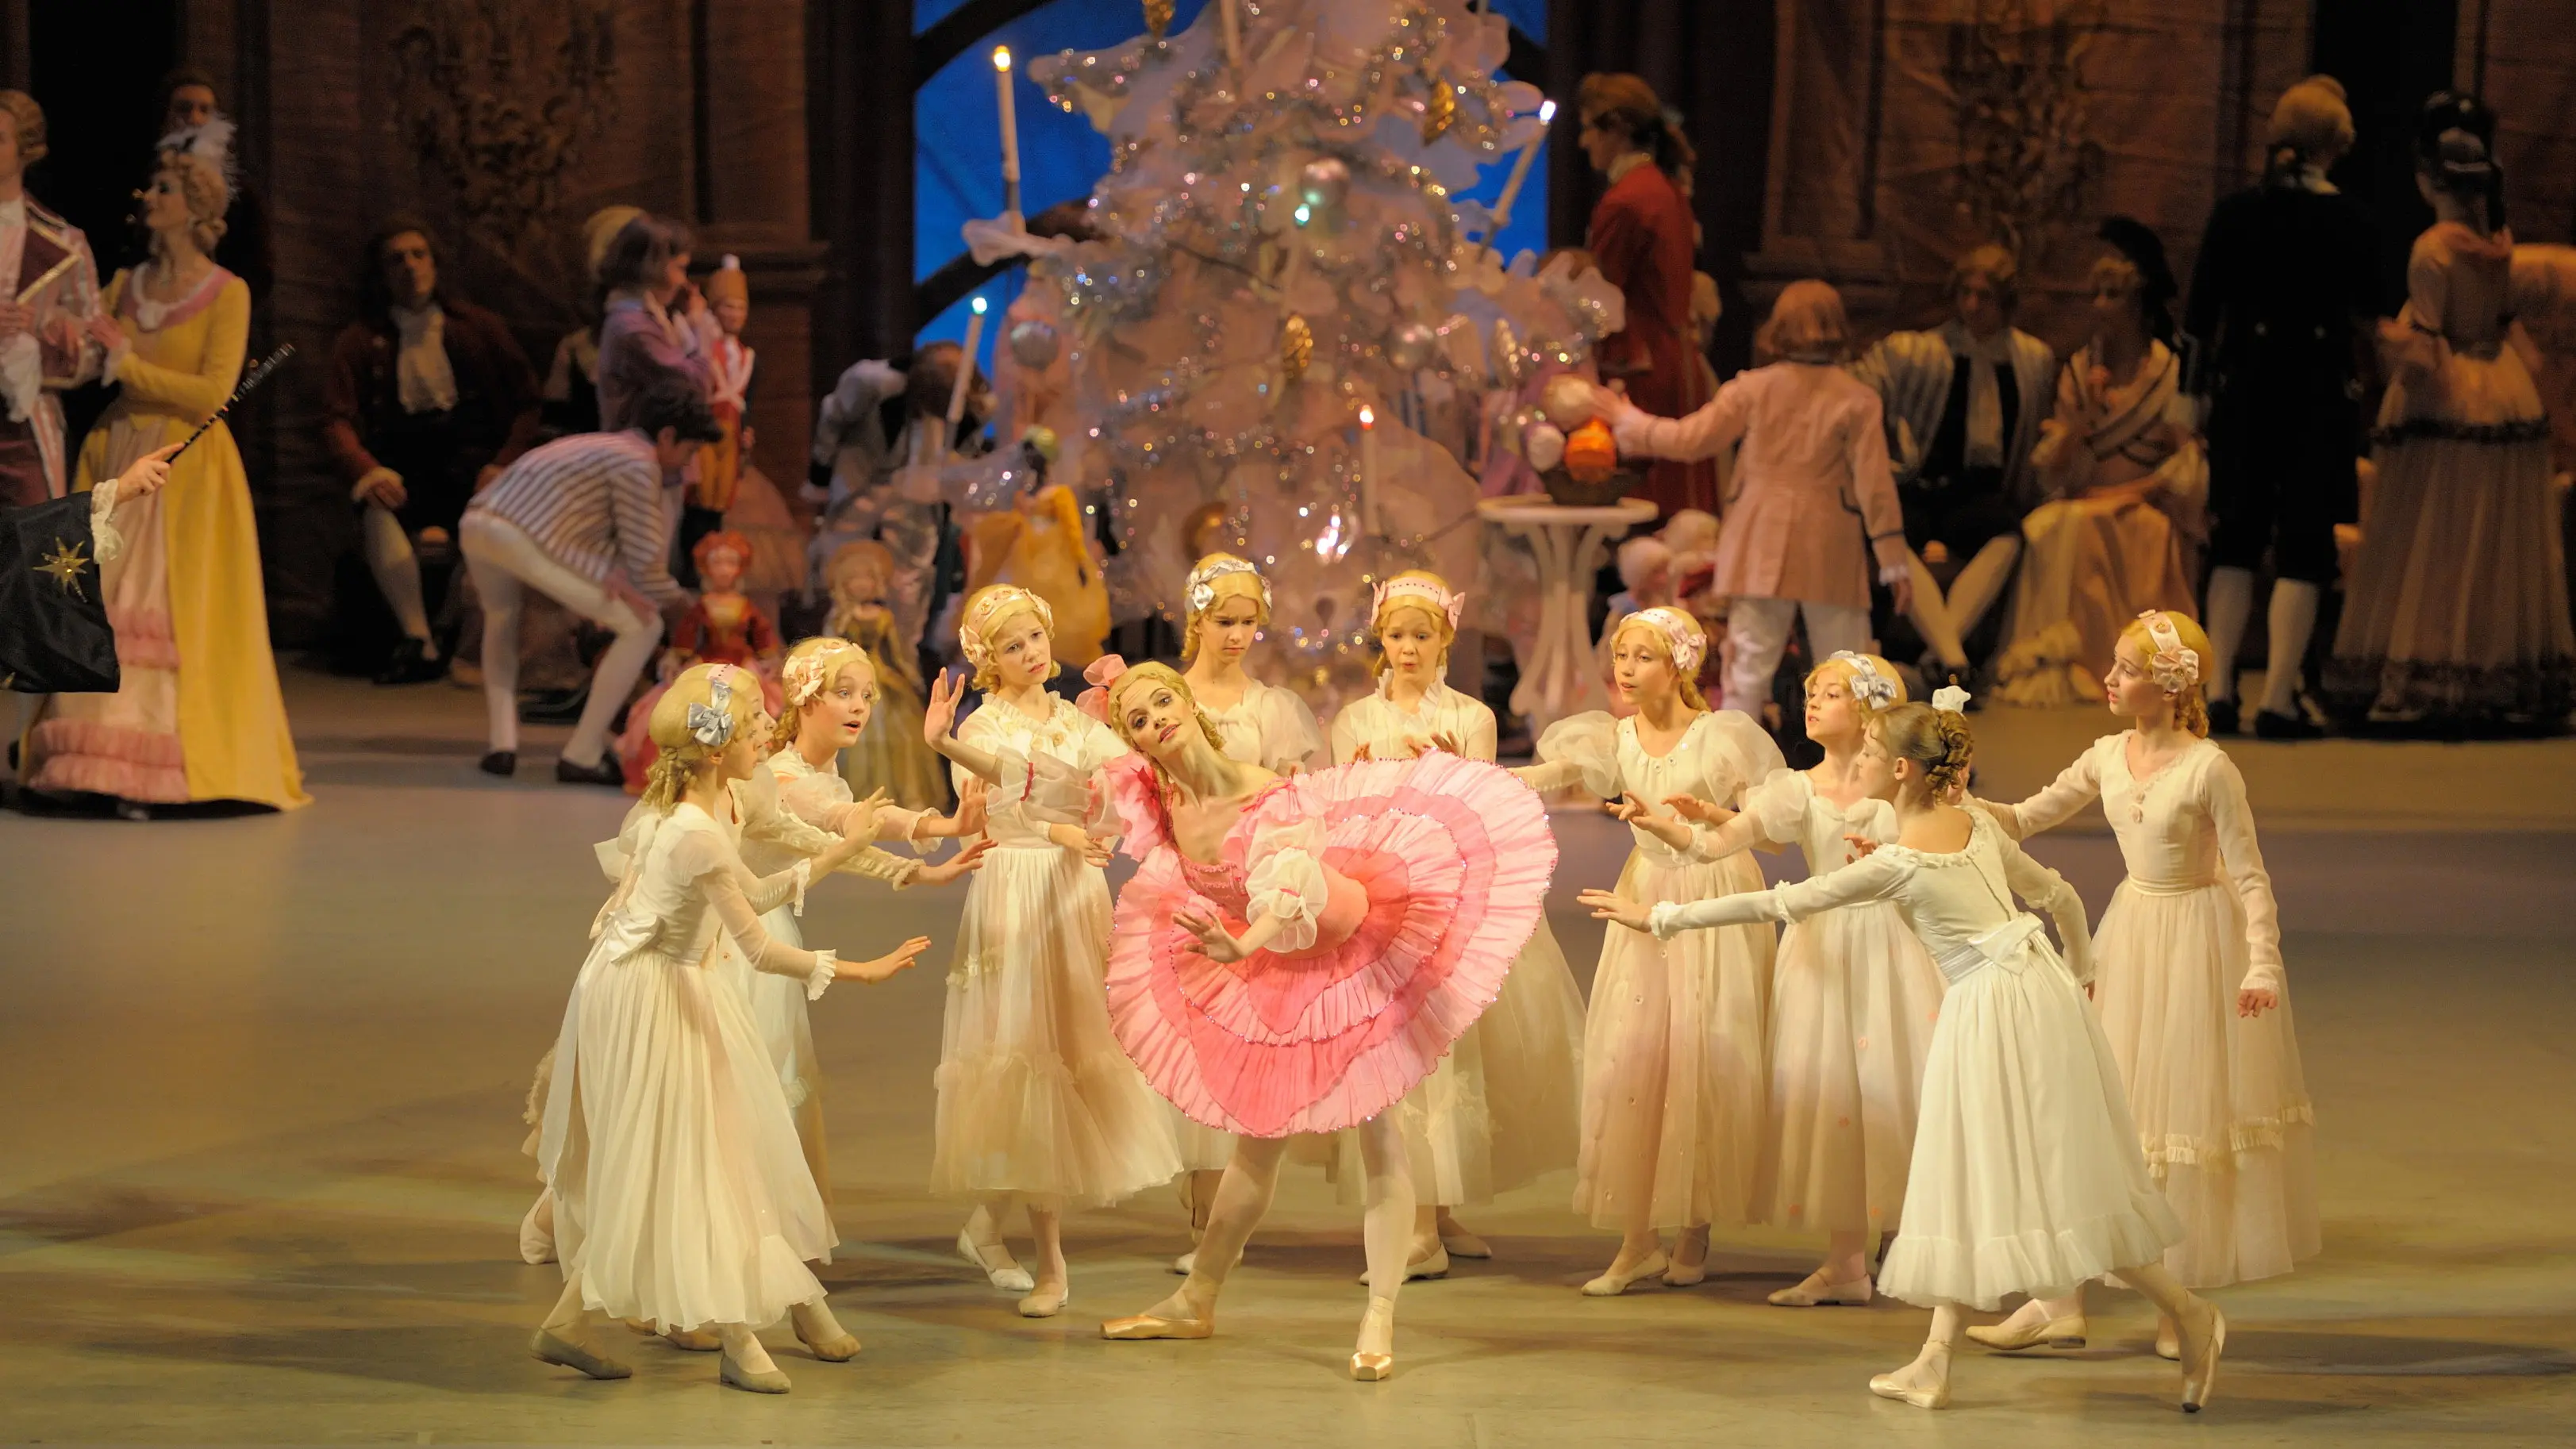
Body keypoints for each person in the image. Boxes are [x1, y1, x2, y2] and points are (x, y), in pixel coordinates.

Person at [1582, 699, 2230, 1412]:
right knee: (1986, 1176)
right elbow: (2061, 896)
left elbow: (1781, 905)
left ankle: (2185, 1313)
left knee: (2014, 1179)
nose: (1854, 763)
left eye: (1866, 755)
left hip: (1990, 1009)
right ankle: (1937, 1356)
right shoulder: (1972, 823)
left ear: (1897, 770)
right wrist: (2077, 979)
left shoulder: (1898, 860)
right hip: (2038, 994)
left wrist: (1661, 917)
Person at [1092, 661, 1555, 1380]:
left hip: (1342, 951)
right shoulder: (1165, 806)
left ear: (1185, 702)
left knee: (1378, 1133)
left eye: (1162, 702)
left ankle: (1379, 1319)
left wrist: (1239, 942)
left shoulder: (1261, 792)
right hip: (1273, 964)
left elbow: (1293, 891)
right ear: (1135, 742)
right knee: (1258, 1141)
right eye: (1141, 720)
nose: (1159, 720)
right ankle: (1197, 1298)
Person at [528, 663, 930, 1393]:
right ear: (716, 750)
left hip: (669, 979)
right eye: (751, 729)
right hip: (650, 991)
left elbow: (754, 891)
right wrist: (859, 971)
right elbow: (759, 945)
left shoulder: (707, 812)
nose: (762, 738)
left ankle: (569, 1323)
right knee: (696, 1152)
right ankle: (743, 1340)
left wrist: (840, 851)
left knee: (681, 1153)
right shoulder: (692, 830)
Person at [1968, 610, 2314, 1359]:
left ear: (2165, 688)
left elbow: (2251, 877)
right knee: (2094, 1112)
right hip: (2130, 936)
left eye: (2124, 669)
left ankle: (2176, 1301)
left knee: (2176, 1116)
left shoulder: (2210, 769)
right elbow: (2024, 818)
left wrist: (2261, 961)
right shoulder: (2106, 755)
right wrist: (1955, 799)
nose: (2109, 679)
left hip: (2196, 944)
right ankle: (2060, 1300)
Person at [21, 125, 305, 815]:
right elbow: (97, 364)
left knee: (175, 616)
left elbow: (212, 394)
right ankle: (86, 764)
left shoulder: (227, 292)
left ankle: (165, 772)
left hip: (188, 468)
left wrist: (127, 364)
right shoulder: (124, 284)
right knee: (104, 604)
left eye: (166, 188)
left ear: (196, 207)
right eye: (152, 186)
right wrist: (72, 347)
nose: (150, 196)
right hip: (119, 453)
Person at [920, 585, 1182, 1319]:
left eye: (1036, 637)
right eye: (1013, 646)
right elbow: (1003, 806)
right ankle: (1052, 1264)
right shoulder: (985, 723)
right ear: (988, 662)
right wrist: (1066, 825)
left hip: (1073, 895)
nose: (1032, 653)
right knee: (1028, 1055)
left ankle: (986, 1227)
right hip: (1017, 890)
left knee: (1067, 1055)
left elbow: (1117, 784)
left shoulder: (1074, 719)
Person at [1655, 651, 1947, 1307]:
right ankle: (1846, 1260)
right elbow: (1725, 841)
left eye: (1831, 695)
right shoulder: (1797, 787)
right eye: (1811, 693)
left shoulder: (1901, 785)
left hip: (1893, 945)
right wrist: (1681, 828)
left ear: (1870, 708)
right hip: (1822, 948)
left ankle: (1908, 1238)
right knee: (1836, 1096)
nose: (1812, 703)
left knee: (1897, 1084)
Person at [1321, 572, 1588, 1278]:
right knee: (1400, 1060)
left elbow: (1482, 807)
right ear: (1380, 638)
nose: (1407, 649)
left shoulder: (1471, 716)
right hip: (1381, 901)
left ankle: (1432, 1215)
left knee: (1447, 1057)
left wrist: (1448, 770)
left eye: (1421, 635)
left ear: (1444, 638)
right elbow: (1340, 809)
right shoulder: (1354, 720)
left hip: (1448, 898)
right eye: (1397, 635)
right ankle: (1417, 1221)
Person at [1513, 606, 1785, 1293]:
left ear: (1680, 665)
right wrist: (1466, 775)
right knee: (1636, 1053)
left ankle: (1694, 1222)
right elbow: (1548, 777)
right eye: (1621, 656)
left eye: (1642, 657)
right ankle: (1639, 1238)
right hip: (1644, 892)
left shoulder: (1721, 738)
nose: (1625, 670)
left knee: (1702, 1050)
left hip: (1712, 895)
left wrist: (1704, 819)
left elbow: (1775, 832)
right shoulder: (1615, 737)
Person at [2326, 97, 2573, 732]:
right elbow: (2497, 321)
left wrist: (2383, 337)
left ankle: (2428, 666)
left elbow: (2428, 346)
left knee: (2434, 534)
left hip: (2448, 395)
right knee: (2487, 536)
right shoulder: (2499, 240)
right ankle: (2492, 669)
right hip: (2501, 384)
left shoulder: (2433, 248)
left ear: (2430, 180)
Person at [1597, 282, 1914, 720]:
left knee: (1747, 671)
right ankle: (1858, 774)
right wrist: (1893, 559)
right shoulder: (1856, 399)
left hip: (1760, 543)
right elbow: (1875, 486)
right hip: (1827, 545)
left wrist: (1627, 420)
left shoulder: (1754, 389)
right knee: (1849, 667)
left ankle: (1737, 778)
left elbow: (1690, 439)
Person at [2188, 77, 2385, 739]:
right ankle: (2277, 698)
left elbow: (2198, 319)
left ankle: (2218, 694)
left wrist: (2192, 403)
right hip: (2318, 399)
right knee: (2305, 545)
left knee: (2235, 540)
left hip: (2243, 393)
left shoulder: (2237, 212)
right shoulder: (2353, 222)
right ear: (2337, 146)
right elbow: (2372, 318)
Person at [1159, 552, 1327, 1258]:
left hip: (1252, 890)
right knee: (1191, 1044)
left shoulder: (1274, 709)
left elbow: (1301, 797)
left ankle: (1224, 1220)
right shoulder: (1166, 698)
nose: (1236, 636)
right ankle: (1200, 1221)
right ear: (1196, 619)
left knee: (1243, 1049)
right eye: (1224, 622)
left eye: (1248, 623)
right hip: (1188, 884)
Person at [458, 376, 721, 784]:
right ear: (667, 435)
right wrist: (690, 608)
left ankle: (502, 745)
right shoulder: (639, 463)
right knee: (643, 626)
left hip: (478, 522)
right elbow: (646, 564)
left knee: (501, 619)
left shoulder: (604, 447)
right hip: (521, 534)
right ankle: (581, 754)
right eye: (690, 450)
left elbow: (586, 527)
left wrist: (605, 574)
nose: (689, 464)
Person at [1992, 220, 2203, 707]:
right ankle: (2056, 658)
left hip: (2146, 502)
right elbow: (2056, 468)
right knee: (2047, 524)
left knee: (2094, 525)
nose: (2100, 307)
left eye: (2112, 296)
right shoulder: (2080, 370)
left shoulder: (2168, 374)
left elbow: (2184, 465)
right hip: (2085, 499)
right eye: (2097, 295)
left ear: (2139, 305)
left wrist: (2129, 493)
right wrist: (2085, 415)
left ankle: (2121, 661)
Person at [323, 217, 542, 684]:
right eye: (396, 259)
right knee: (377, 510)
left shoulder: (479, 327)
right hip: (405, 466)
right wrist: (369, 470)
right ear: (381, 274)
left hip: (472, 463)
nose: (410, 267)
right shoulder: (360, 341)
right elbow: (335, 418)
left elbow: (528, 404)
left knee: (495, 526)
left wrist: (502, 465)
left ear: (436, 263)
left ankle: (462, 637)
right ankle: (418, 639)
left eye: (419, 255)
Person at [1851, 244, 2055, 684]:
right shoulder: (1920, 351)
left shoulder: (2032, 360)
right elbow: (1862, 384)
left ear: (2005, 302)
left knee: (2008, 535)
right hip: (1922, 485)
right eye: (1965, 293)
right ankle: (1954, 661)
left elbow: (2033, 433)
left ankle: (1940, 656)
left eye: (1984, 296)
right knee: (1891, 533)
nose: (1972, 305)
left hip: (1977, 491)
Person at [1576, 73, 1716, 520]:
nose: (1583, 142)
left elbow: (1602, 296)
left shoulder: (1628, 201)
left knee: (1640, 506)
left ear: (1615, 130)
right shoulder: (1665, 190)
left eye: (1589, 128)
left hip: (1641, 367)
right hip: (1674, 358)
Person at [0, 90, 105, 511]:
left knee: (34, 552)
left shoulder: (64, 243)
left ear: (25, 149)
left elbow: (96, 343)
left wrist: (42, 341)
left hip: (26, 427)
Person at [593, 213, 714, 436]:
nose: (683, 281)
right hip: (643, 462)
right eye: (680, 268)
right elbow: (697, 387)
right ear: (653, 268)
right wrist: (699, 326)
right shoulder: (634, 328)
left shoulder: (645, 319)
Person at [153, 71, 270, 302]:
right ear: (166, 118)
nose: (195, 119)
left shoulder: (240, 194)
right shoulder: (149, 186)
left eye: (205, 110)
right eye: (184, 109)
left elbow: (260, 272)